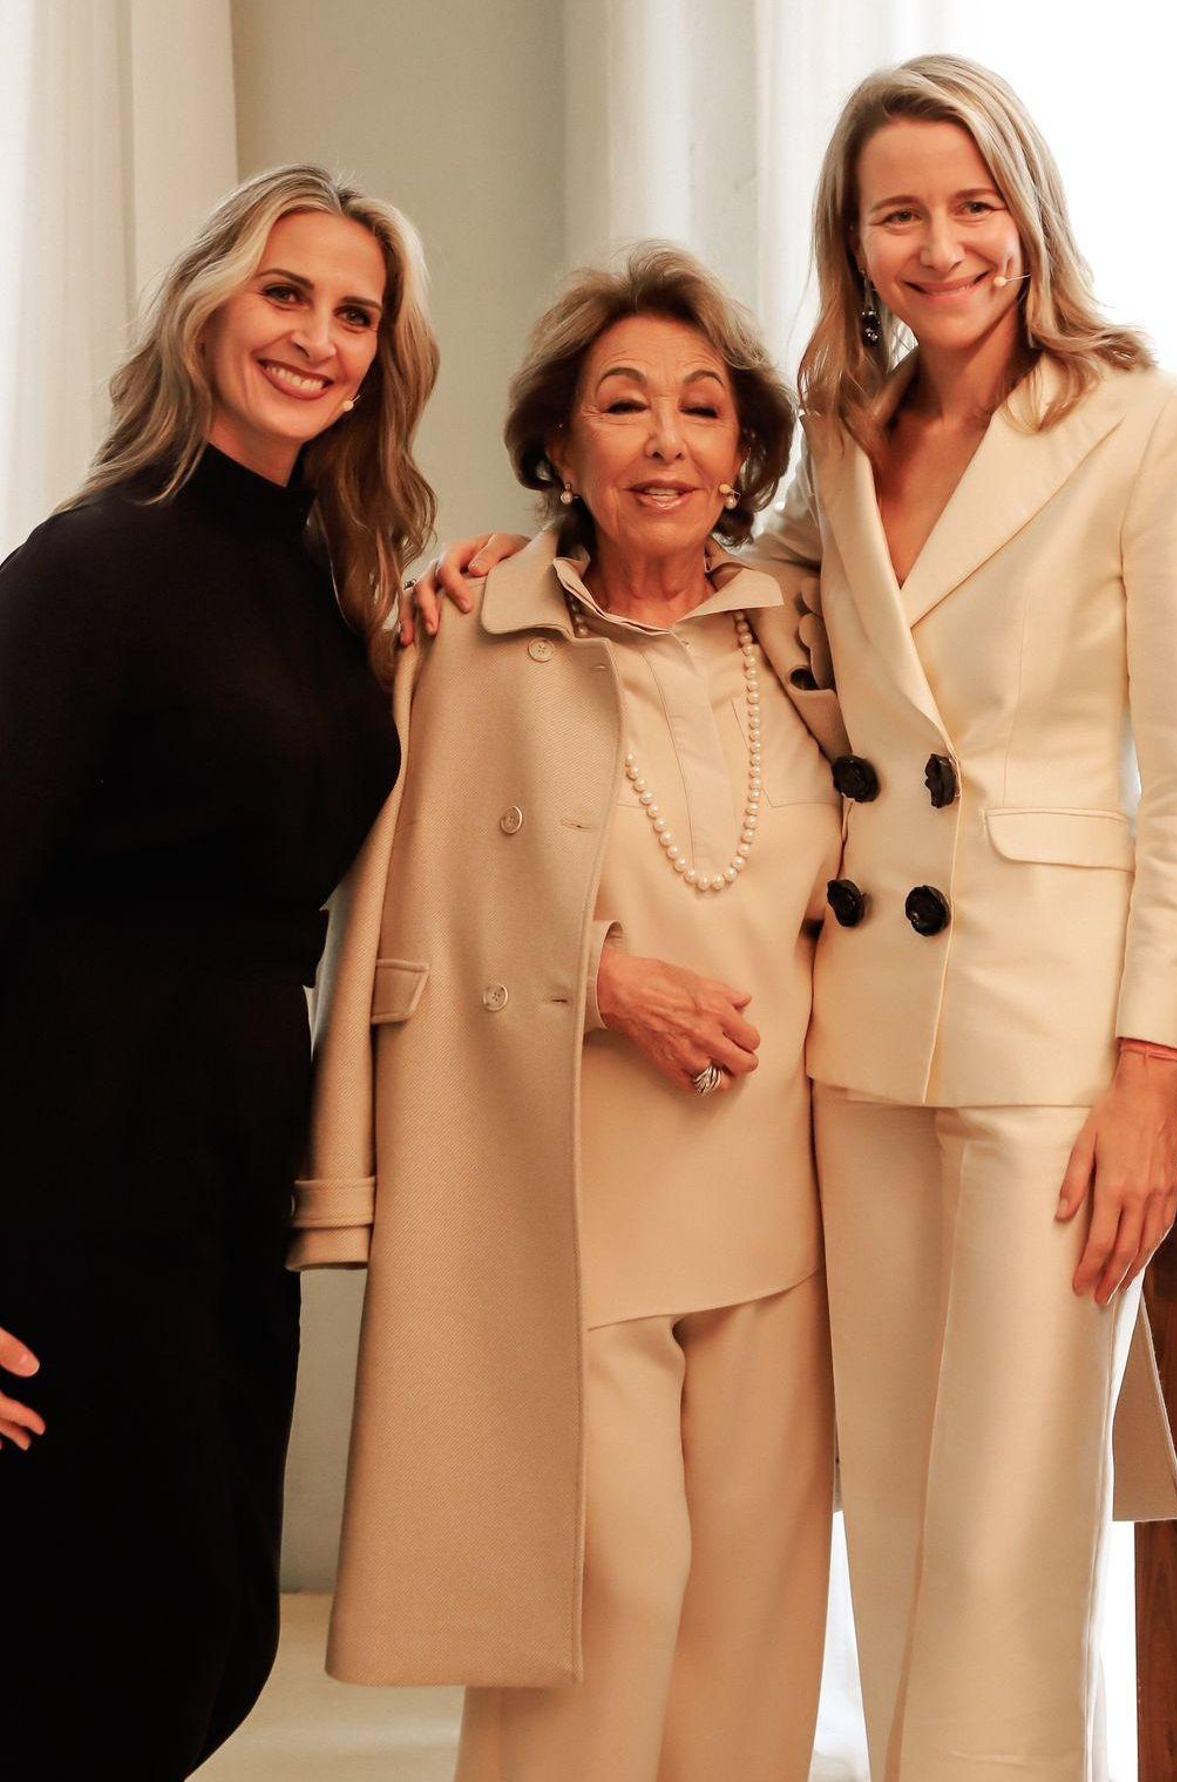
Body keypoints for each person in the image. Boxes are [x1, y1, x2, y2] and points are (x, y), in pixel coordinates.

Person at [417, 58, 1177, 1781]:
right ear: (854, 246)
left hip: (1045, 1051)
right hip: (851, 1048)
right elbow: (695, 574)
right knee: (886, 1532)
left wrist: (1150, 1076)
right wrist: (502, 561)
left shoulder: (1143, 423)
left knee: (1015, 1535)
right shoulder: (846, 440)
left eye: (972, 203)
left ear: (1028, 209)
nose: (943, 244)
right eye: (899, 216)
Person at [292, 244, 844, 1782]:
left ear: (746, 452)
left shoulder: (811, 633)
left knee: (755, 1626)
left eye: (703, 409)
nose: (666, 441)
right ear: (558, 446)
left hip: (782, 1220)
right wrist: (597, 980)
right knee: (603, 1599)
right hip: (570, 1212)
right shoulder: (468, 634)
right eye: (623, 406)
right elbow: (409, 906)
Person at [0, 164, 438, 1779]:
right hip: (64, 1182)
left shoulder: (332, 598)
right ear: (207, 305)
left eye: (355, 312)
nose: (317, 338)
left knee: (204, 1637)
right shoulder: (89, 570)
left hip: (228, 1179)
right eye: (285, 292)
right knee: (82, 1654)